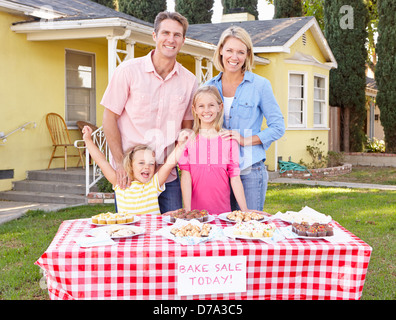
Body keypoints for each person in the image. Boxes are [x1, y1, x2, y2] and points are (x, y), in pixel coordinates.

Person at [100, 11, 198, 213]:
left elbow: (186, 128)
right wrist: (120, 163)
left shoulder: (189, 81)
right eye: (165, 33)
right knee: (131, 235)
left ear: (183, 40)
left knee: (173, 233)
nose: (170, 39)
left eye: (177, 35)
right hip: (131, 175)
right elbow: (109, 118)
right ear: (155, 36)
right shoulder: (128, 71)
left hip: (167, 174)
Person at [205, 26, 285, 211]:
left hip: (250, 169)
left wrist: (245, 140)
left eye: (241, 52)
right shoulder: (208, 87)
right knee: (221, 229)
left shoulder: (260, 85)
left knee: (249, 226)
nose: (234, 57)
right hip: (219, 170)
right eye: (230, 51)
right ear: (221, 51)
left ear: (247, 55)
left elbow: (278, 126)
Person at [82, 126, 191, 215]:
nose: (147, 167)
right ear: (130, 165)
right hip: (128, 236)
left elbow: (168, 164)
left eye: (151, 163)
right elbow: (101, 162)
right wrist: (88, 140)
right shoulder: (120, 184)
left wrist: (181, 145)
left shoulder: (153, 185)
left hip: (151, 238)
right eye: (141, 163)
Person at [178, 85, 248, 215]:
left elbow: (235, 177)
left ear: (219, 107)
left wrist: (245, 211)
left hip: (223, 212)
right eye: (201, 106)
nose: (206, 110)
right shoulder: (188, 139)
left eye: (211, 105)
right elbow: (186, 176)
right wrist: (187, 210)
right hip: (196, 213)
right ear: (194, 109)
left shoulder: (229, 139)